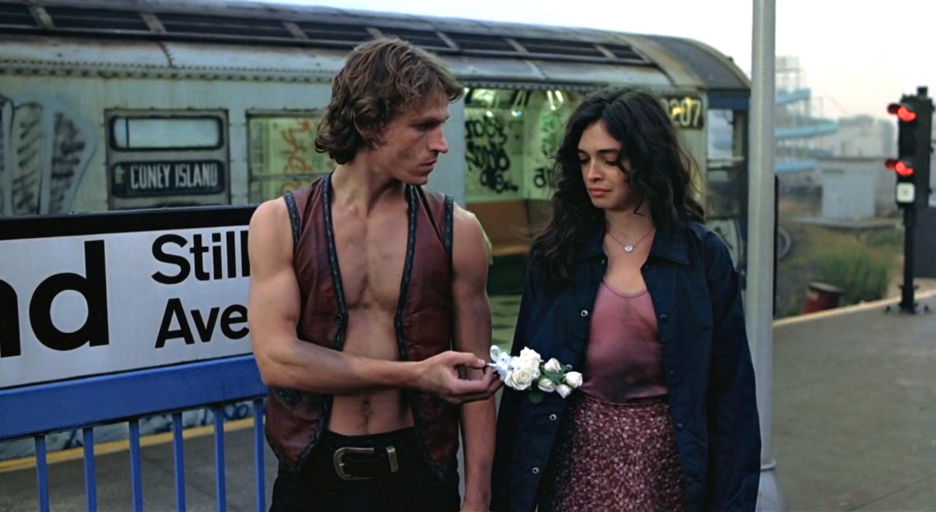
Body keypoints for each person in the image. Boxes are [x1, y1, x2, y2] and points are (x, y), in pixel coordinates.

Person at [248, 38, 501, 512]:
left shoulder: (457, 232)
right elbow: (278, 361)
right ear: (368, 123)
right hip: (313, 475)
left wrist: (478, 498)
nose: (441, 145)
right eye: (423, 127)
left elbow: (475, 377)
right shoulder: (280, 223)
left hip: (419, 472)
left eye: (441, 126)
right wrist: (415, 376)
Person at [490, 87, 760, 512]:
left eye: (610, 158)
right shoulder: (558, 253)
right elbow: (524, 386)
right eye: (583, 159)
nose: (593, 173)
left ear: (646, 156)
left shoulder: (702, 256)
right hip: (577, 462)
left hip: (669, 467)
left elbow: (732, 393)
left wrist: (735, 501)